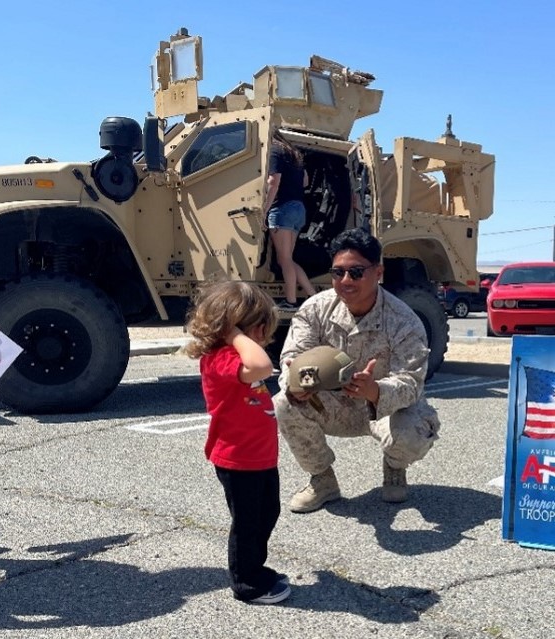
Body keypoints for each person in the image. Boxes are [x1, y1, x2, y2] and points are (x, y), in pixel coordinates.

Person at [273, 228, 441, 513]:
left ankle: (394, 465)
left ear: (379, 273)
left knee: (415, 429)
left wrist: (376, 390)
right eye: (338, 273)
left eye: (356, 272)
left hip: (384, 409)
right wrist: (298, 384)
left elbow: (412, 382)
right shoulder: (315, 309)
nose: (345, 281)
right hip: (333, 405)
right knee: (284, 402)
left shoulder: (404, 320)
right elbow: (292, 357)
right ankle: (322, 480)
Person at [185, 280, 290, 605]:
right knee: (247, 524)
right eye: (261, 330)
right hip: (238, 460)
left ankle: (255, 567)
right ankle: (247, 582)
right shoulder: (220, 360)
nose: (264, 338)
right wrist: (235, 334)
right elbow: (262, 366)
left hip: (259, 458)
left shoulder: (235, 359)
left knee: (267, 513)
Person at [265, 130, 317, 311]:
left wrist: (264, 209)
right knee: (288, 259)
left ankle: (291, 301)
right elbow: (305, 181)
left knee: (284, 260)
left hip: (282, 209)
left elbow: (273, 181)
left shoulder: (273, 151)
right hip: (298, 208)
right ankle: (312, 297)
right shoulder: (294, 154)